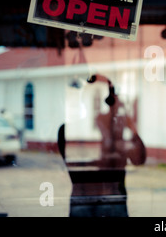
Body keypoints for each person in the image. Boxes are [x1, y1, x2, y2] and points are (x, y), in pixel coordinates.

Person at [58, 74, 146, 217]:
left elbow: (139, 160)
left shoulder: (116, 128)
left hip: (109, 198)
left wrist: (129, 126)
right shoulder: (68, 131)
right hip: (90, 198)